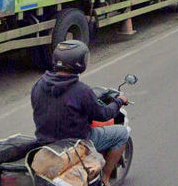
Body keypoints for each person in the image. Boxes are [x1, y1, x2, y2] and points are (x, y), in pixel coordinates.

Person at [30, 41, 129, 186]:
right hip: (77, 142)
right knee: (122, 133)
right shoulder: (81, 90)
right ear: (79, 62)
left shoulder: (39, 85)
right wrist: (119, 101)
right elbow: (103, 115)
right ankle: (105, 179)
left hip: (45, 141)